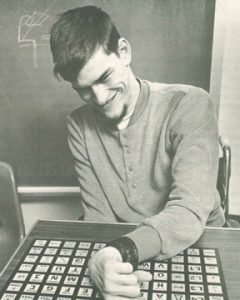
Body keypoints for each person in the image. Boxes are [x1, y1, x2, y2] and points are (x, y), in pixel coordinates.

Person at [50, 5, 225, 299]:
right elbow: (99, 220)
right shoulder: (79, 125)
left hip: (199, 241)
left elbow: (189, 211)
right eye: (84, 89)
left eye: (105, 77)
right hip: (121, 249)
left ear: (124, 51)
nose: (100, 98)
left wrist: (121, 250)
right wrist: (108, 261)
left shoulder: (190, 103)